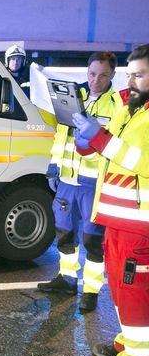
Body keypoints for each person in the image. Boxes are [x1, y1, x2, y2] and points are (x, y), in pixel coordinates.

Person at [72, 44, 149, 356]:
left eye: (140, 74)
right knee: (121, 291)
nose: (131, 80)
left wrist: (98, 138)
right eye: (131, 72)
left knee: (134, 297)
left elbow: (136, 159)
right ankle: (126, 343)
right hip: (118, 221)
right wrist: (85, 140)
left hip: (138, 227)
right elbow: (109, 147)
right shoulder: (132, 108)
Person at [37, 52, 122, 313]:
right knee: (64, 233)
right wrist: (53, 166)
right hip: (66, 180)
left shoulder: (117, 106)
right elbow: (61, 136)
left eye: (103, 75)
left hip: (93, 184)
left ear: (112, 76)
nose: (96, 80)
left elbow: (115, 147)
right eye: (92, 73)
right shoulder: (73, 97)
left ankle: (91, 291)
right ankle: (68, 279)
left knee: (93, 240)